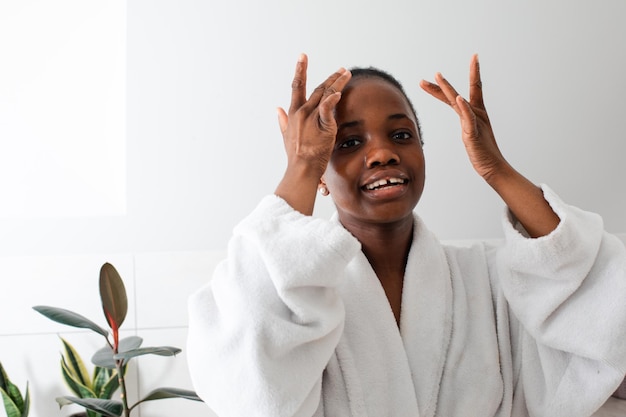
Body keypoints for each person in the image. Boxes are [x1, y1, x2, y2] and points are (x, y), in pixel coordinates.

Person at [186, 53, 626, 417]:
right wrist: (301, 166)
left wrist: (496, 168)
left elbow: (603, 308)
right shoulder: (297, 297)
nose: (382, 153)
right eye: (349, 142)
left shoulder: (490, 281)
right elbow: (248, 384)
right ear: (322, 172)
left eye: (401, 135)